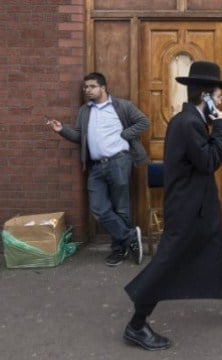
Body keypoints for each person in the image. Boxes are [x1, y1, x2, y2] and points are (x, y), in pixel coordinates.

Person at [123, 61, 222, 351]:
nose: (220, 100)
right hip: (187, 211)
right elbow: (209, 162)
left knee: (213, 254)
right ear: (205, 96)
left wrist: (216, 125)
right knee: (166, 265)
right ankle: (136, 325)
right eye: (217, 95)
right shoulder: (189, 123)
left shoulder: (190, 120)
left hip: (197, 208)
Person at [47, 72, 149, 266]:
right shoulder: (85, 111)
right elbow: (79, 136)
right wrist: (62, 130)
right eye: (85, 87)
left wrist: (125, 133)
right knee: (98, 209)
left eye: (92, 86)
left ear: (103, 88)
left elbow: (143, 122)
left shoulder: (122, 106)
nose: (88, 90)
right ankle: (130, 237)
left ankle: (120, 250)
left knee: (122, 208)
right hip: (96, 167)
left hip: (119, 162)